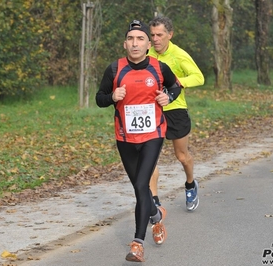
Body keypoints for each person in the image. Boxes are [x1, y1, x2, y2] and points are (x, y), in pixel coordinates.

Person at [95, 19, 182, 262]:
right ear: (125, 44)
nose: (135, 43)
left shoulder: (159, 67)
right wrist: (112, 96)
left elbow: (176, 87)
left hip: (153, 135)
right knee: (139, 187)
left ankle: (137, 243)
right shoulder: (114, 69)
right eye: (131, 39)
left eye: (140, 39)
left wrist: (168, 97)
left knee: (142, 183)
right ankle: (156, 216)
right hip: (124, 137)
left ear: (147, 44)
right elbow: (99, 98)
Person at [147, 16, 204, 211]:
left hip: (175, 110)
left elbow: (199, 77)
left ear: (169, 35)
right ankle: (154, 203)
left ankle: (190, 184)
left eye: (160, 35)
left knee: (181, 156)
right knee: (150, 158)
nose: (155, 39)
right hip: (152, 111)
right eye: (152, 35)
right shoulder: (147, 54)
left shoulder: (179, 54)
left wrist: (178, 82)